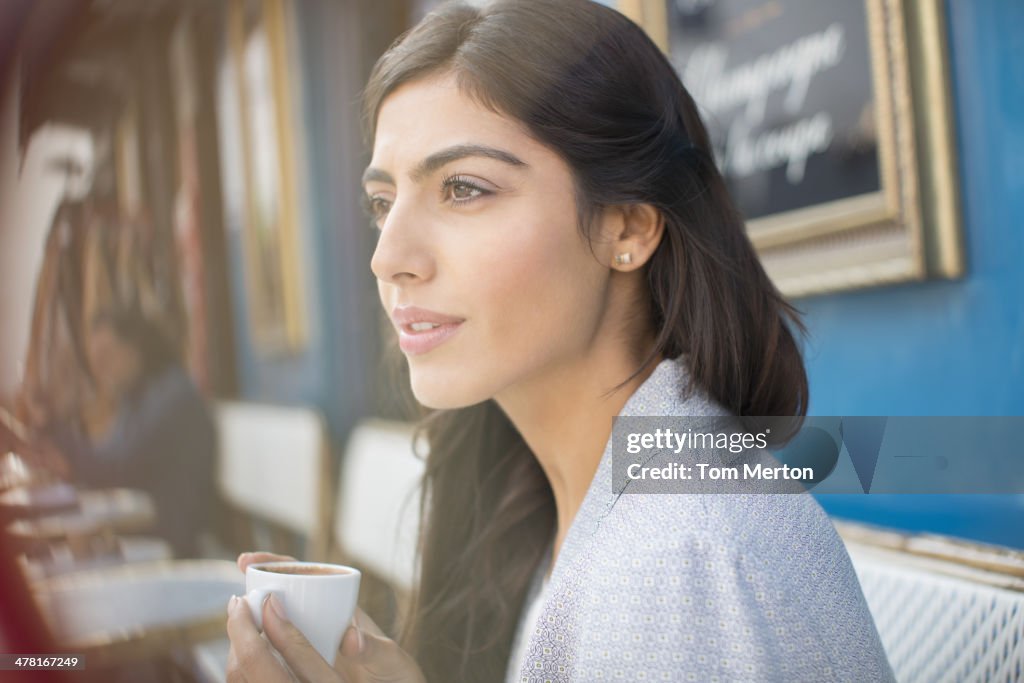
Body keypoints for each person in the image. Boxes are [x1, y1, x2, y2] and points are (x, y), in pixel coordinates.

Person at [225, 1, 895, 681]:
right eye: (382, 202)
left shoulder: (678, 562)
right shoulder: (557, 501)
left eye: (462, 188)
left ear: (628, 228)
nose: (388, 255)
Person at [34, 307, 216, 558]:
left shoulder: (171, 397)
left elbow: (114, 467)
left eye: (107, 356)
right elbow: (108, 457)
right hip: (148, 533)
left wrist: (52, 427)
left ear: (135, 347)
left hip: (174, 547)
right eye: (96, 362)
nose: (102, 370)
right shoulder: (139, 396)